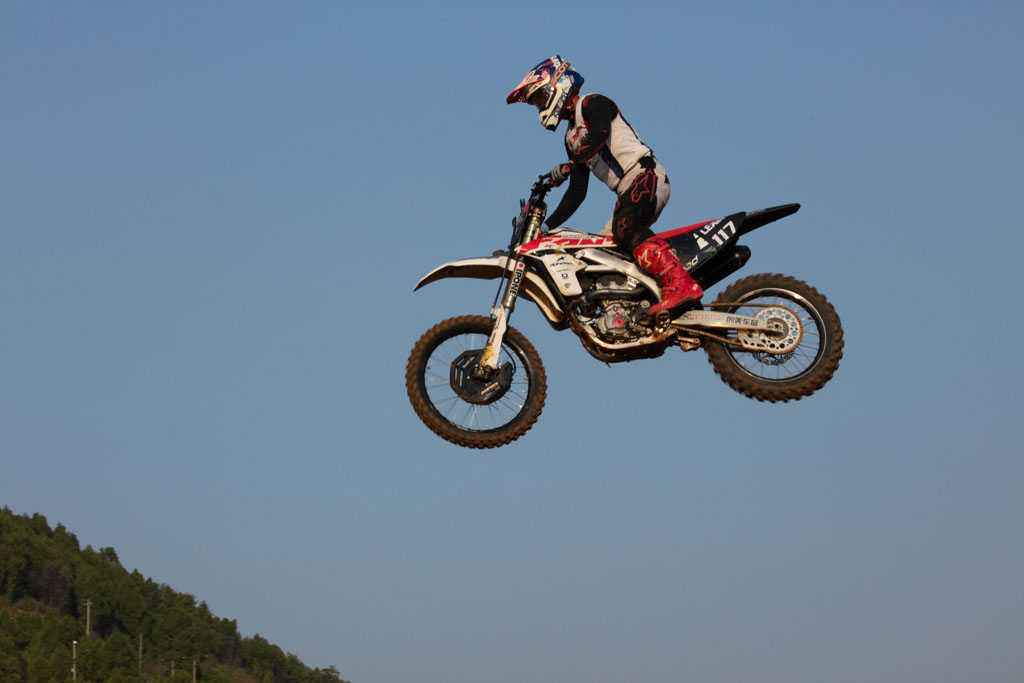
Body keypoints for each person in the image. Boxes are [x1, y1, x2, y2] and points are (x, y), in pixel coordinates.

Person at [506, 55, 702, 315]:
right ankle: (637, 308)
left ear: (559, 84)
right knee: (599, 251)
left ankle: (679, 283)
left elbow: (600, 133)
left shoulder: (592, 103)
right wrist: (547, 228)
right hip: (626, 192)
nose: (541, 106)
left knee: (625, 226)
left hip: (645, 175)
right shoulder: (571, 138)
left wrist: (569, 165)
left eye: (541, 97)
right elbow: (577, 192)